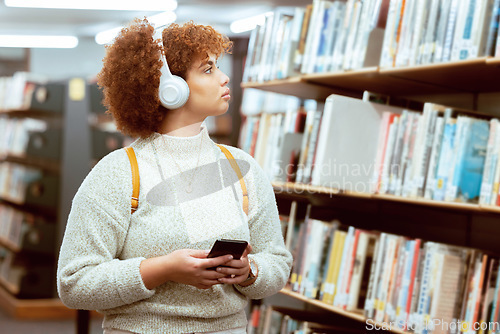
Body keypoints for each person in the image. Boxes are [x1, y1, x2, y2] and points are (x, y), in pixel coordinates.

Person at [57, 18, 292, 334]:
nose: (225, 79)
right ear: (171, 88)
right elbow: (74, 282)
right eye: (208, 70)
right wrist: (161, 270)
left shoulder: (241, 168)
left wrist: (249, 271)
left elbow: (278, 262)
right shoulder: (119, 172)